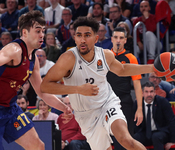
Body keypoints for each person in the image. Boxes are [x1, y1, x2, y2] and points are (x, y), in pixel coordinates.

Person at [41, 16, 154, 150]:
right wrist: (78, 89)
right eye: (79, 35)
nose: (83, 40)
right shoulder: (68, 58)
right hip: (85, 115)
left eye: (87, 35)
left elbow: (122, 69)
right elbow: (45, 86)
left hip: (107, 103)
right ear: (75, 38)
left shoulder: (105, 55)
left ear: (95, 38)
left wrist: (153, 68)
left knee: (126, 139)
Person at [0, 10, 72, 150]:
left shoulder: (34, 60)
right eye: (37, 31)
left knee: (38, 146)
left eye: (43, 31)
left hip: (10, 109)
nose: (42, 35)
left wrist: (64, 108)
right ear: (25, 33)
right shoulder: (14, 49)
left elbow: (42, 92)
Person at [106, 27, 143, 150]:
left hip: (124, 102)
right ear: (111, 39)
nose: (118, 40)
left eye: (121, 38)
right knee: (105, 139)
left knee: (126, 140)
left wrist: (139, 109)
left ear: (125, 40)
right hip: (106, 102)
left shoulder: (130, 58)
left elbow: (137, 85)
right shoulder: (105, 56)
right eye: (115, 37)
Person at [133, 81, 175, 150]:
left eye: (151, 91)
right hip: (144, 132)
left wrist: (173, 141)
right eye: (146, 92)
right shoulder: (137, 104)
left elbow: (171, 121)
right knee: (136, 138)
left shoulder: (162, 102)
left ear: (155, 93)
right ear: (142, 93)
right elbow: (134, 122)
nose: (149, 94)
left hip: (161, 132)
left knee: (156, 137)